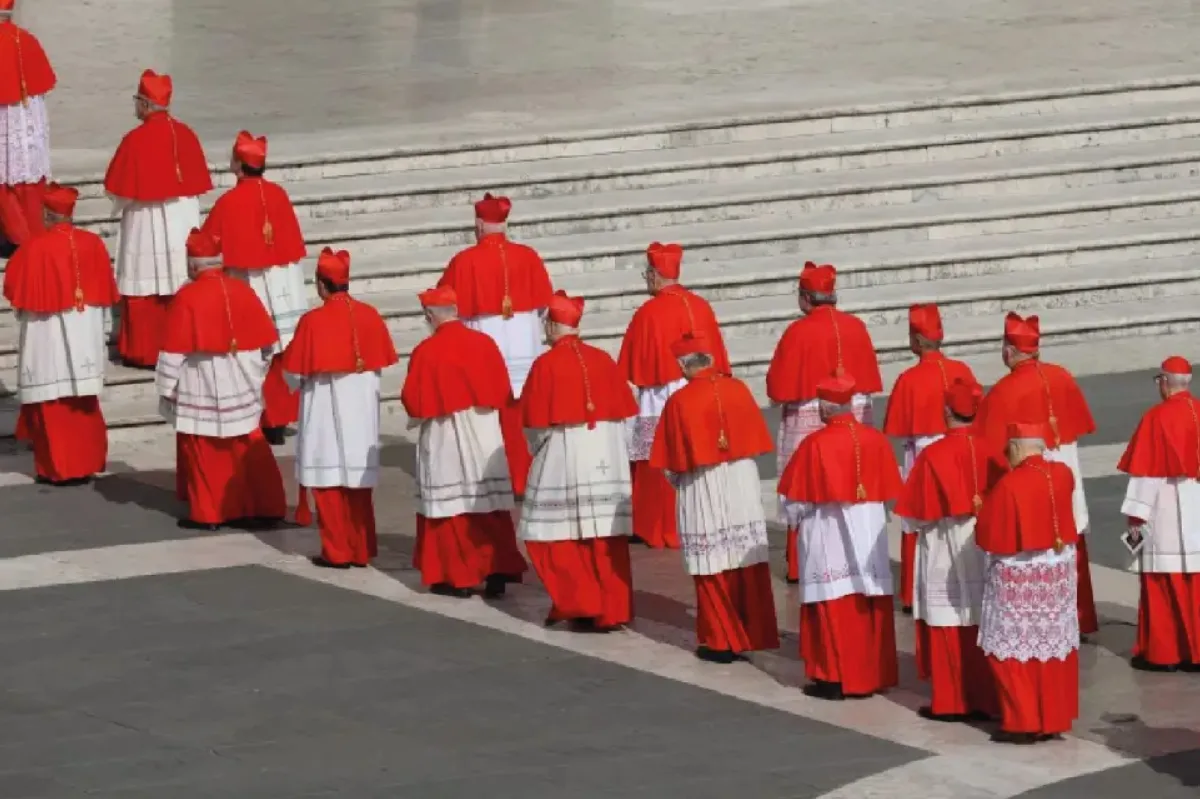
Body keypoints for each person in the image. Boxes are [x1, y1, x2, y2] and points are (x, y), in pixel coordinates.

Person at [651, 332, 780, 663]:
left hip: (702, 484)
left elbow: (669, 464)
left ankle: (720, 639)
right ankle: (751, 633)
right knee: (743, 560)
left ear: (683, 365)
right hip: (742, 479)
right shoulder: (737, 389)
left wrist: (679, 479)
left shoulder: (679, 402)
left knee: (712, 563)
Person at [973, 312, 1098, 635]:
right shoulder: (1062, 376)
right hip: (1065, 466)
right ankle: (1078, 615)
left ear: (1009, 350)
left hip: (1027, 471)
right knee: (1069, 529)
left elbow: (989, 447)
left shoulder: (1004, 391)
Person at [519, 291, 637, 631]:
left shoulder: (546, 364)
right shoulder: (603, 359)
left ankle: (580, 603)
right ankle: (612, 610)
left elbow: (535, 425)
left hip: (565, 452)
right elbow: (626, 416)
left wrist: (540, 451)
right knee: (604, 536)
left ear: (555, 326)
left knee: (552, 531)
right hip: (607, 455)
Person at [779, 371, 901, 699]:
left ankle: (833, 677)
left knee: (833, 600)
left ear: (824, 408)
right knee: (867, 600)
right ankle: (872, 675)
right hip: (869, 532)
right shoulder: (874, 440)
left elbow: (793, 503)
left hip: (828, 534)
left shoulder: (815, 444)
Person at [401, 285, 528, 597]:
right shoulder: (485, 343)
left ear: (430, 316)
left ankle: (458, 577)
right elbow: (502, 391)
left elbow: (414, 401)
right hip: (484, 429)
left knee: (451, 509)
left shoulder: (427, 351)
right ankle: (497, 570)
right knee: (489, 504)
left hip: (446, 434)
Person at [156, 229, 286, 530]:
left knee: (204, 449)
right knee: (249, 446)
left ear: (192, 265)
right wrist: (255, 371)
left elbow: (174, 351)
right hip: (242, 381)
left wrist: (166, 389)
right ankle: (264, 507)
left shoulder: (187, 296)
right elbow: (268, 344)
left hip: (202, 384)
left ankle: (209, 514)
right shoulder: (243, 290)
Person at [895, 378, 1006, 720]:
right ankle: (986, 699)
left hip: (944, 544)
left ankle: (951, 701)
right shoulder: (993, 451)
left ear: (946, 412)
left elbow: (913, 518)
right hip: (984, 544)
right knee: (981, 620)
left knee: (947, 620)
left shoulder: (933, 455)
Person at [283, 248, 398, 569]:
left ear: (321, 284)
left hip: (325, 416)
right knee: (358, 488)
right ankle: (360, 550)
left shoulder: (313, 321)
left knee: (329, 486)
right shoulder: (370, 315)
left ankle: (338, 553)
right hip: (361, 415)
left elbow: (292, 373)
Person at [767, 261, 882, 583]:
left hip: (810, 414)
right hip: (855, 412)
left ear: (806, 298)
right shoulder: (856, 326)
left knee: (806, 483)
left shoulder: (798, 331)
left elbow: (778, 386)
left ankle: (801, 560)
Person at [437, 193, 553, 498]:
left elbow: (444, 307)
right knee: (520, 419)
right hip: (524, 349)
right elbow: (543, 308)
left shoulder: (464, 262)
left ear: (478, 224)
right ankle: (525, 476)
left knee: (490, 420)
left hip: (485, 351)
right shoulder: (528, 256)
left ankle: (495, 477)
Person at [618, 242, 730, 549]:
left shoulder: (649, 312)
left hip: (661, 393)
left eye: (647, 274)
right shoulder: (700, 305)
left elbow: (629, 365)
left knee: (657, 455)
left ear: (655, 275)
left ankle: (656, 526)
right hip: (704, 391)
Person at [3, 184, 118, 485]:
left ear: (46, 215)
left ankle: (58, 468)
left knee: (52, 404)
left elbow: (14, 290)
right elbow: (106, 292)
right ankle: (87, 462)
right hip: (86, 331)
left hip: (47, 336)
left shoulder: (34, 247)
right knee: (82, 403)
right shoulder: (94, 245)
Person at [975, 421, 1080, 743]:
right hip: (1054, 575)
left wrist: (982, 510)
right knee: (1051, 651)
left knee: (1013, 651)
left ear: (1018, 447)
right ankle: (1051, 719)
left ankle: (1022, 722)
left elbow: (991, 536)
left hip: (1019, 578)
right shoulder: (1063, 474)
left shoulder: (1011, 483)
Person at [202, 130, 308, 445]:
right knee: (281, 352)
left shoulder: (229, 201)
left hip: (249, 283)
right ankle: (279, 419)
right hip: (284, 279)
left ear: (238, 165)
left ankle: (260, 419)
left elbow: (208, 245)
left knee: (254, 354)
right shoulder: (279, 195)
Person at [105, 69, 213, 369]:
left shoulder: (135, 140)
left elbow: (119, 190)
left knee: (145, 281)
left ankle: (144, 351)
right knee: (176, 280)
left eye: (136, 101)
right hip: (180, 220)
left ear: (144, 104)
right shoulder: (186, 135)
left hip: (144, 221)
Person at [883, 303, 976, 613]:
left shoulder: (909, 379)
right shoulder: (962, 371)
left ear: (917, 341)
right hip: (964, 452)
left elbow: (896, 428)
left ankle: (912, 592)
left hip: (924, 454)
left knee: (918, 519)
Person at [1117, 356, 1200, 672]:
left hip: (1163, 515)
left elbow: (1144, 478)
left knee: (1161, 586)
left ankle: (1164, 655)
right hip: (1197, 517)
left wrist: (1134, 528)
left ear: (1164, 382)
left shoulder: (1156, 418)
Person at [0, 0, 55, 253]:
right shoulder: (28, 40)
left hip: (6, 120)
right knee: (24, 176)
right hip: (25, 121)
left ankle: (16, 236)